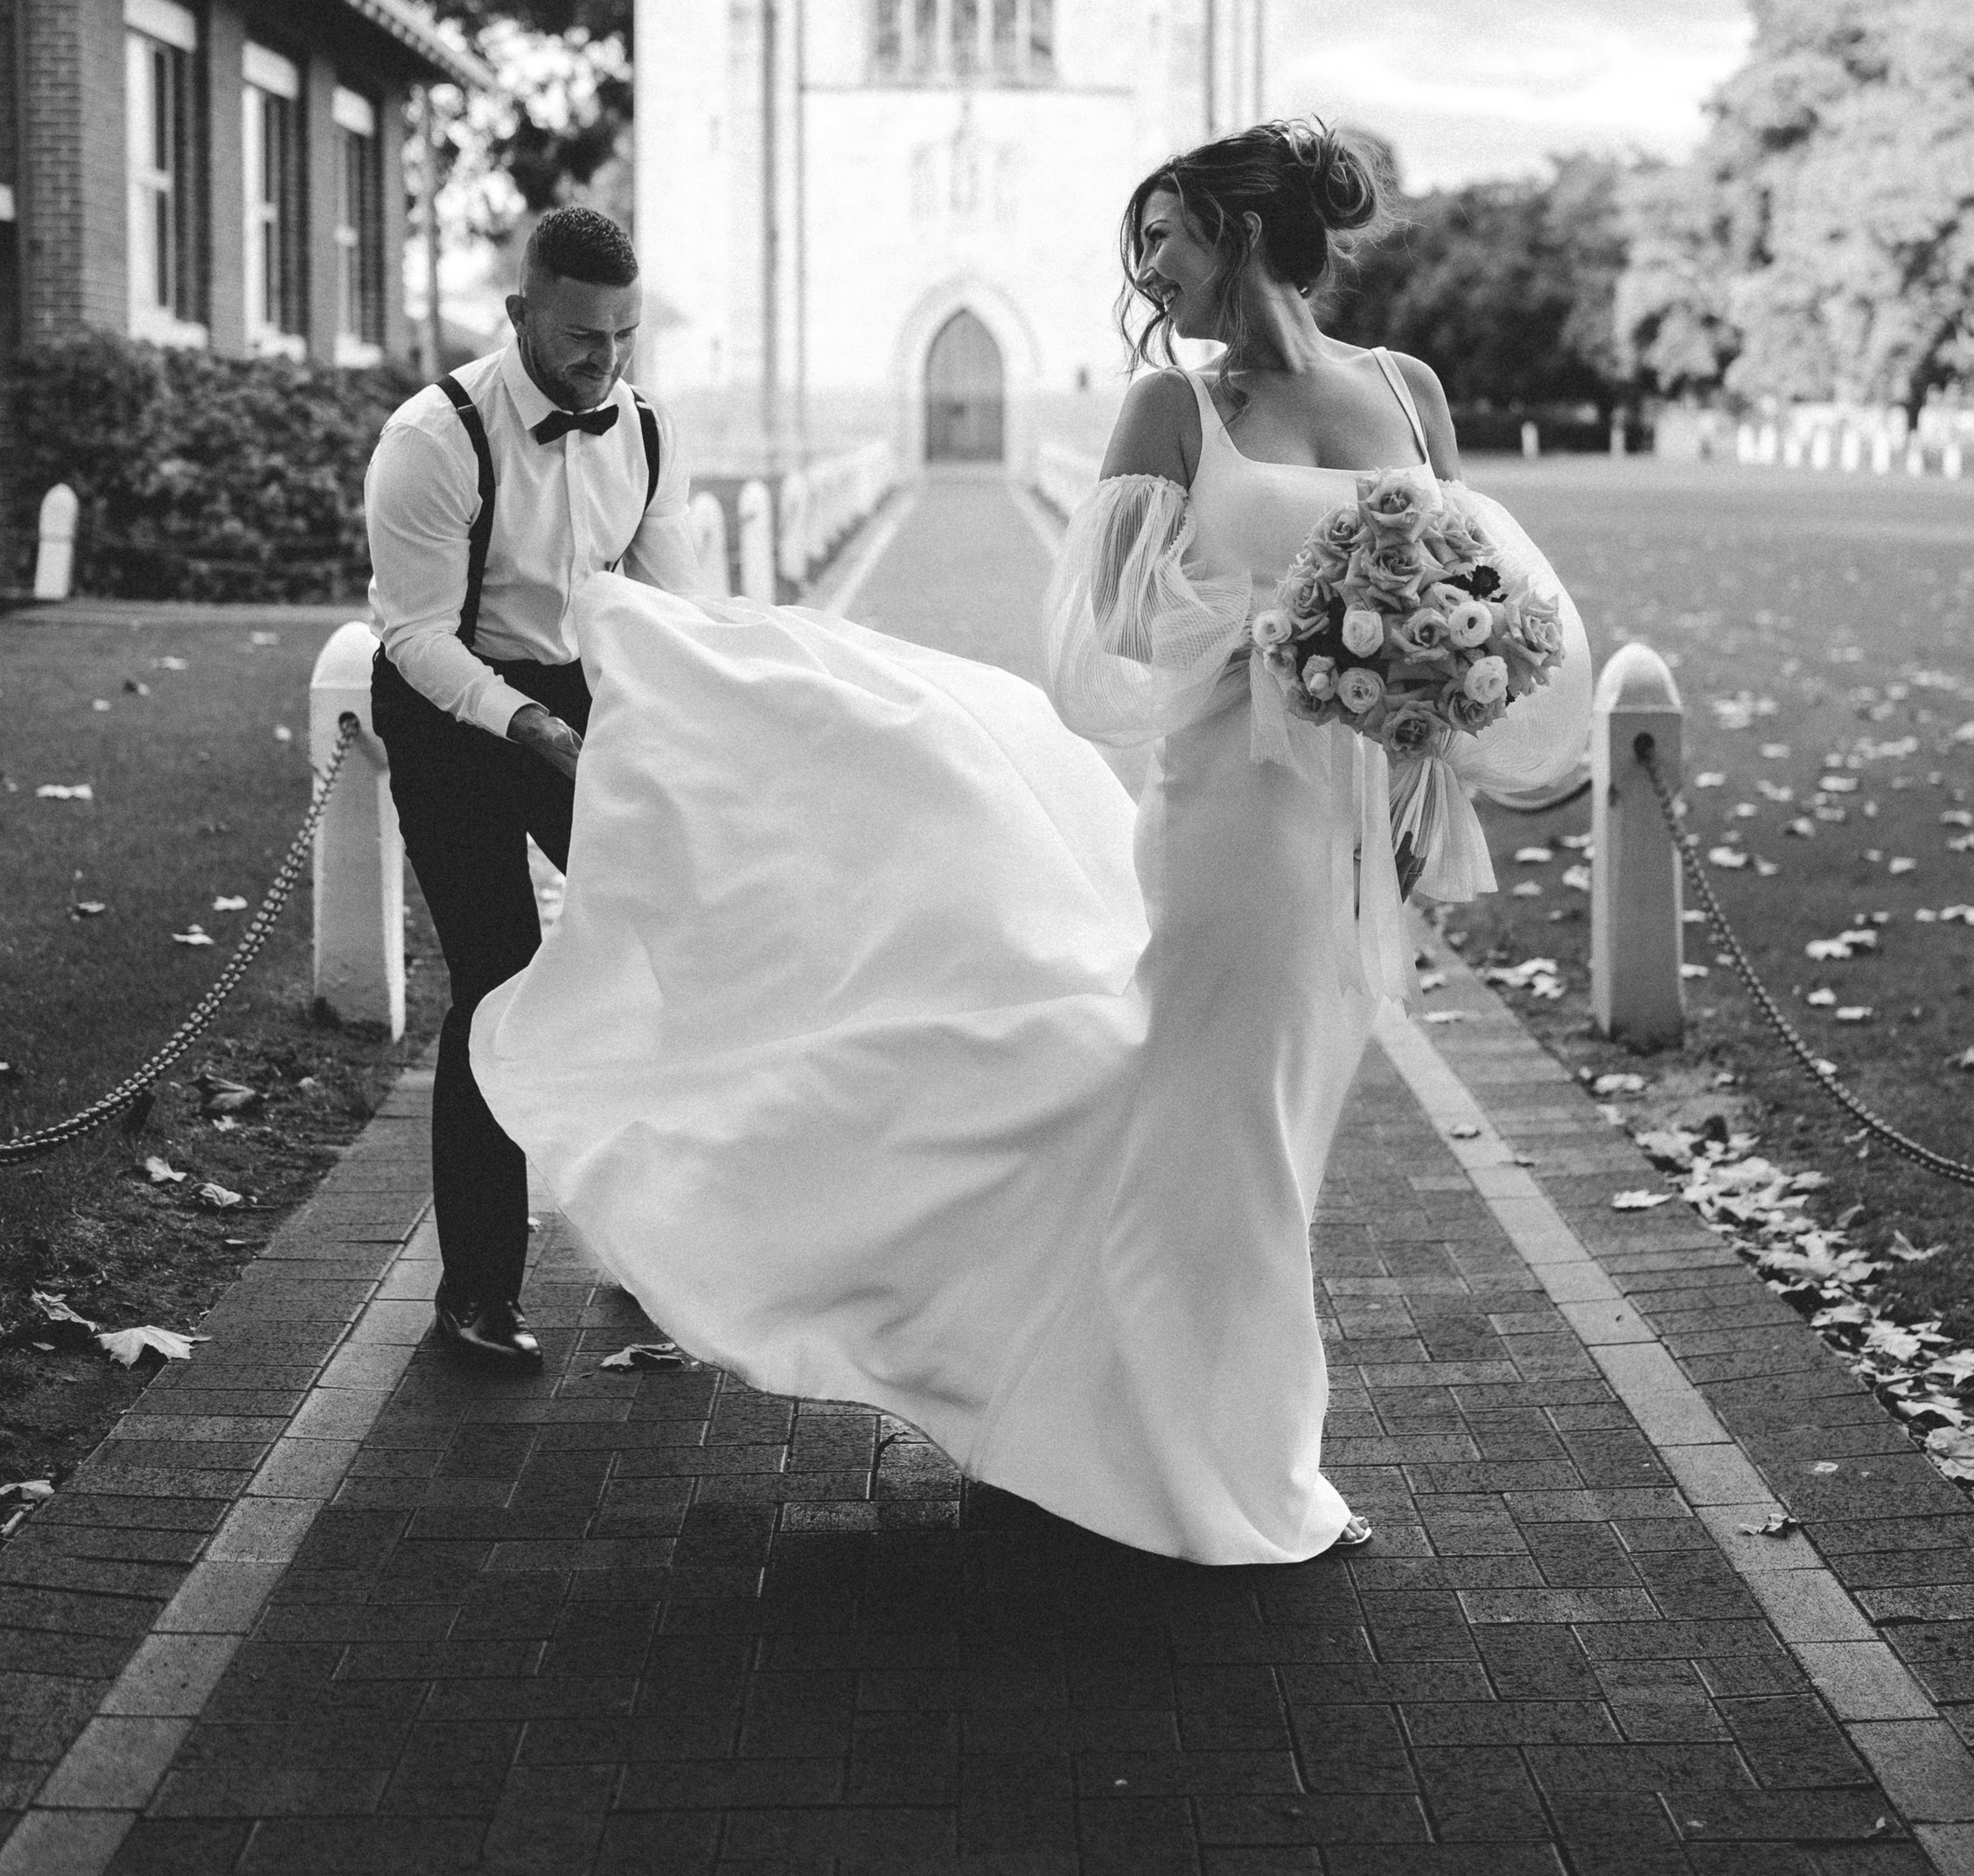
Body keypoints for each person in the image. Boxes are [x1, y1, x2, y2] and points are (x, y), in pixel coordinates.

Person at [469, 122, 1588, 1558]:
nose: (1149, 269)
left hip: (1360, 829)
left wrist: (1425, 722)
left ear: (1241, 234)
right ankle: (1221, 1464)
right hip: (1231, 827)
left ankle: (1101, 1409)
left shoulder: (1405, 390)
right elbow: (1109, 646)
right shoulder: (1172, 414)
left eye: (1167, 237)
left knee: (1271, 1129)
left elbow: (1482, 587)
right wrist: (1296, 640)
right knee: (1225, 1125)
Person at [364, 204, 697, 1370]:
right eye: (579, 339)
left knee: (663, 954)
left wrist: (705, 735)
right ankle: (477, 1291)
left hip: (573, 697)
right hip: (452, 700)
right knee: (497, 978)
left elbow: (672, 617)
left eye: (623, 337)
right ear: (519, 315)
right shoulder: (432, 436)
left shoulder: (647, 431)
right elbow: (410, 633)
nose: (604, 362)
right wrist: (529, 726)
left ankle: (660, 1254)